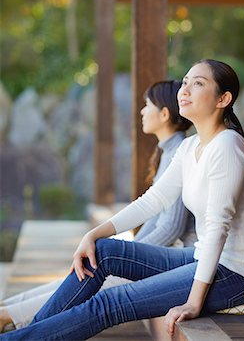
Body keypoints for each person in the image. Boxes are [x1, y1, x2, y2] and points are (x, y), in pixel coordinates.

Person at [0, 59, 244, 341]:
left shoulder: (227, 146)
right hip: (200, 257)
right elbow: (153, 200)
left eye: (198, 83)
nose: (185, 89)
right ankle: (31, 334)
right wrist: (94, 234)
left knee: (110, 303)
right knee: (103, 252)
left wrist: (193, 302)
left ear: (223, 99)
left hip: (238, 274)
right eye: (185, 82)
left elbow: (218, 227)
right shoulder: (191, 146)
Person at [0, 80, 194, 333]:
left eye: (147, 105)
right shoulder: (172, 152)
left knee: (90, 278)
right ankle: (7, 312)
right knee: (74, 279)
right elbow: (158, 219)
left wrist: (131, 255)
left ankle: (10, 318)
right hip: (165, 255)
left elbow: (171, 226)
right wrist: (131, 252)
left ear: (165, 114)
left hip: (177, 262)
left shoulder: (179, 152)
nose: (142, 111)